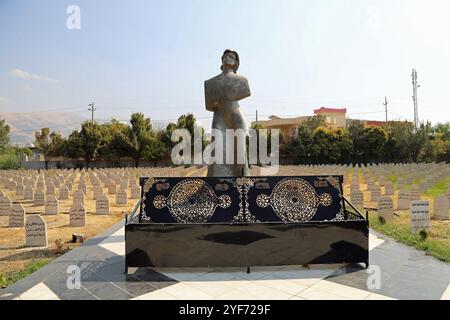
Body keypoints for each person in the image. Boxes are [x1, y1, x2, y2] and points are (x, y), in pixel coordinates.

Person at [204, 49, 251, 177]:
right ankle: (215, 183)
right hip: (219, 116)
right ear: (222, 60)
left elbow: (246, 92)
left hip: (235, 115)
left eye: (231, 56)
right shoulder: (211, 83)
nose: (227, 58)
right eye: (225, 56)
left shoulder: (242, 81)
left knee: (239, 151)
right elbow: (209, 104)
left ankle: (242, 182)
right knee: (217, 149)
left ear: (236, 62)